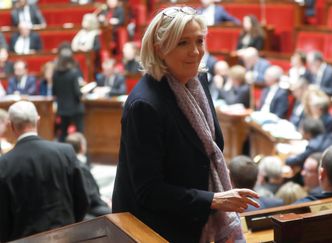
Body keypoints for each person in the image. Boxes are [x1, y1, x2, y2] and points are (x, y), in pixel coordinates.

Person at [112, 6, 259, 242]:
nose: (195, 51)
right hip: (153, 229)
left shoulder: (198, 80)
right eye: (183, 43)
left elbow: (207, 150)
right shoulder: (144, 105)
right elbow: (148, 192)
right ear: (160, 48)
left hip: (193, 220)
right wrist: (214, 200)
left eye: (199, 41)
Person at [0, 100, 88, 242]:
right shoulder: (65, 152)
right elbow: (82, 200)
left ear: (10, 126)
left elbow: (3, 217)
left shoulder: (4, 164)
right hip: (65, 237)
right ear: (38, 121)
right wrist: (70, 227)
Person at [65, 132, 112, 219]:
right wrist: (105, 204)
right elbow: (92, 197)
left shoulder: (66, 164)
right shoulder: (81, 167)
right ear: (82, 147)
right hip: (90, 208)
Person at [52, 47, 84, 142]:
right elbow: (77, 93)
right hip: (75, 108)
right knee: (79, 133)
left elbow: (54, 92)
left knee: (63, 133)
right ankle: (81, 154)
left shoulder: (55, 74)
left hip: (62, 108)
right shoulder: (73, 73)